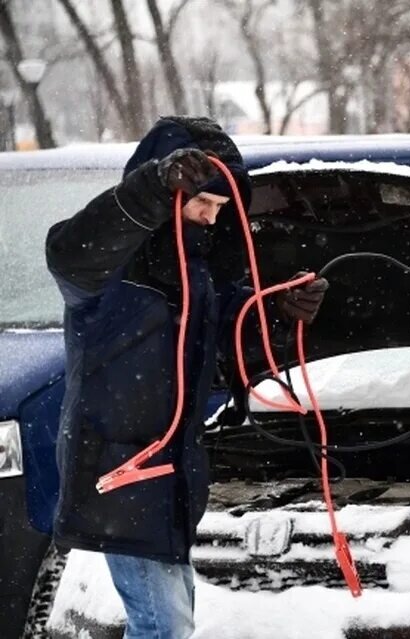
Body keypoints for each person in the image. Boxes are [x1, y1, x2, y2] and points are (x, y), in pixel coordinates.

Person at [45, 116, 327, 638]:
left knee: (168, 621)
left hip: (169, 473)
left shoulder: (197, 272)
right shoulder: (111, 269)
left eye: (221, 209)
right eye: (204, 203)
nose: (212, 218)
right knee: (164, 626)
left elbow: (223, 334)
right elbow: (67, 252)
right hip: (122, 470)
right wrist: (152, 186)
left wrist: (278, 306)